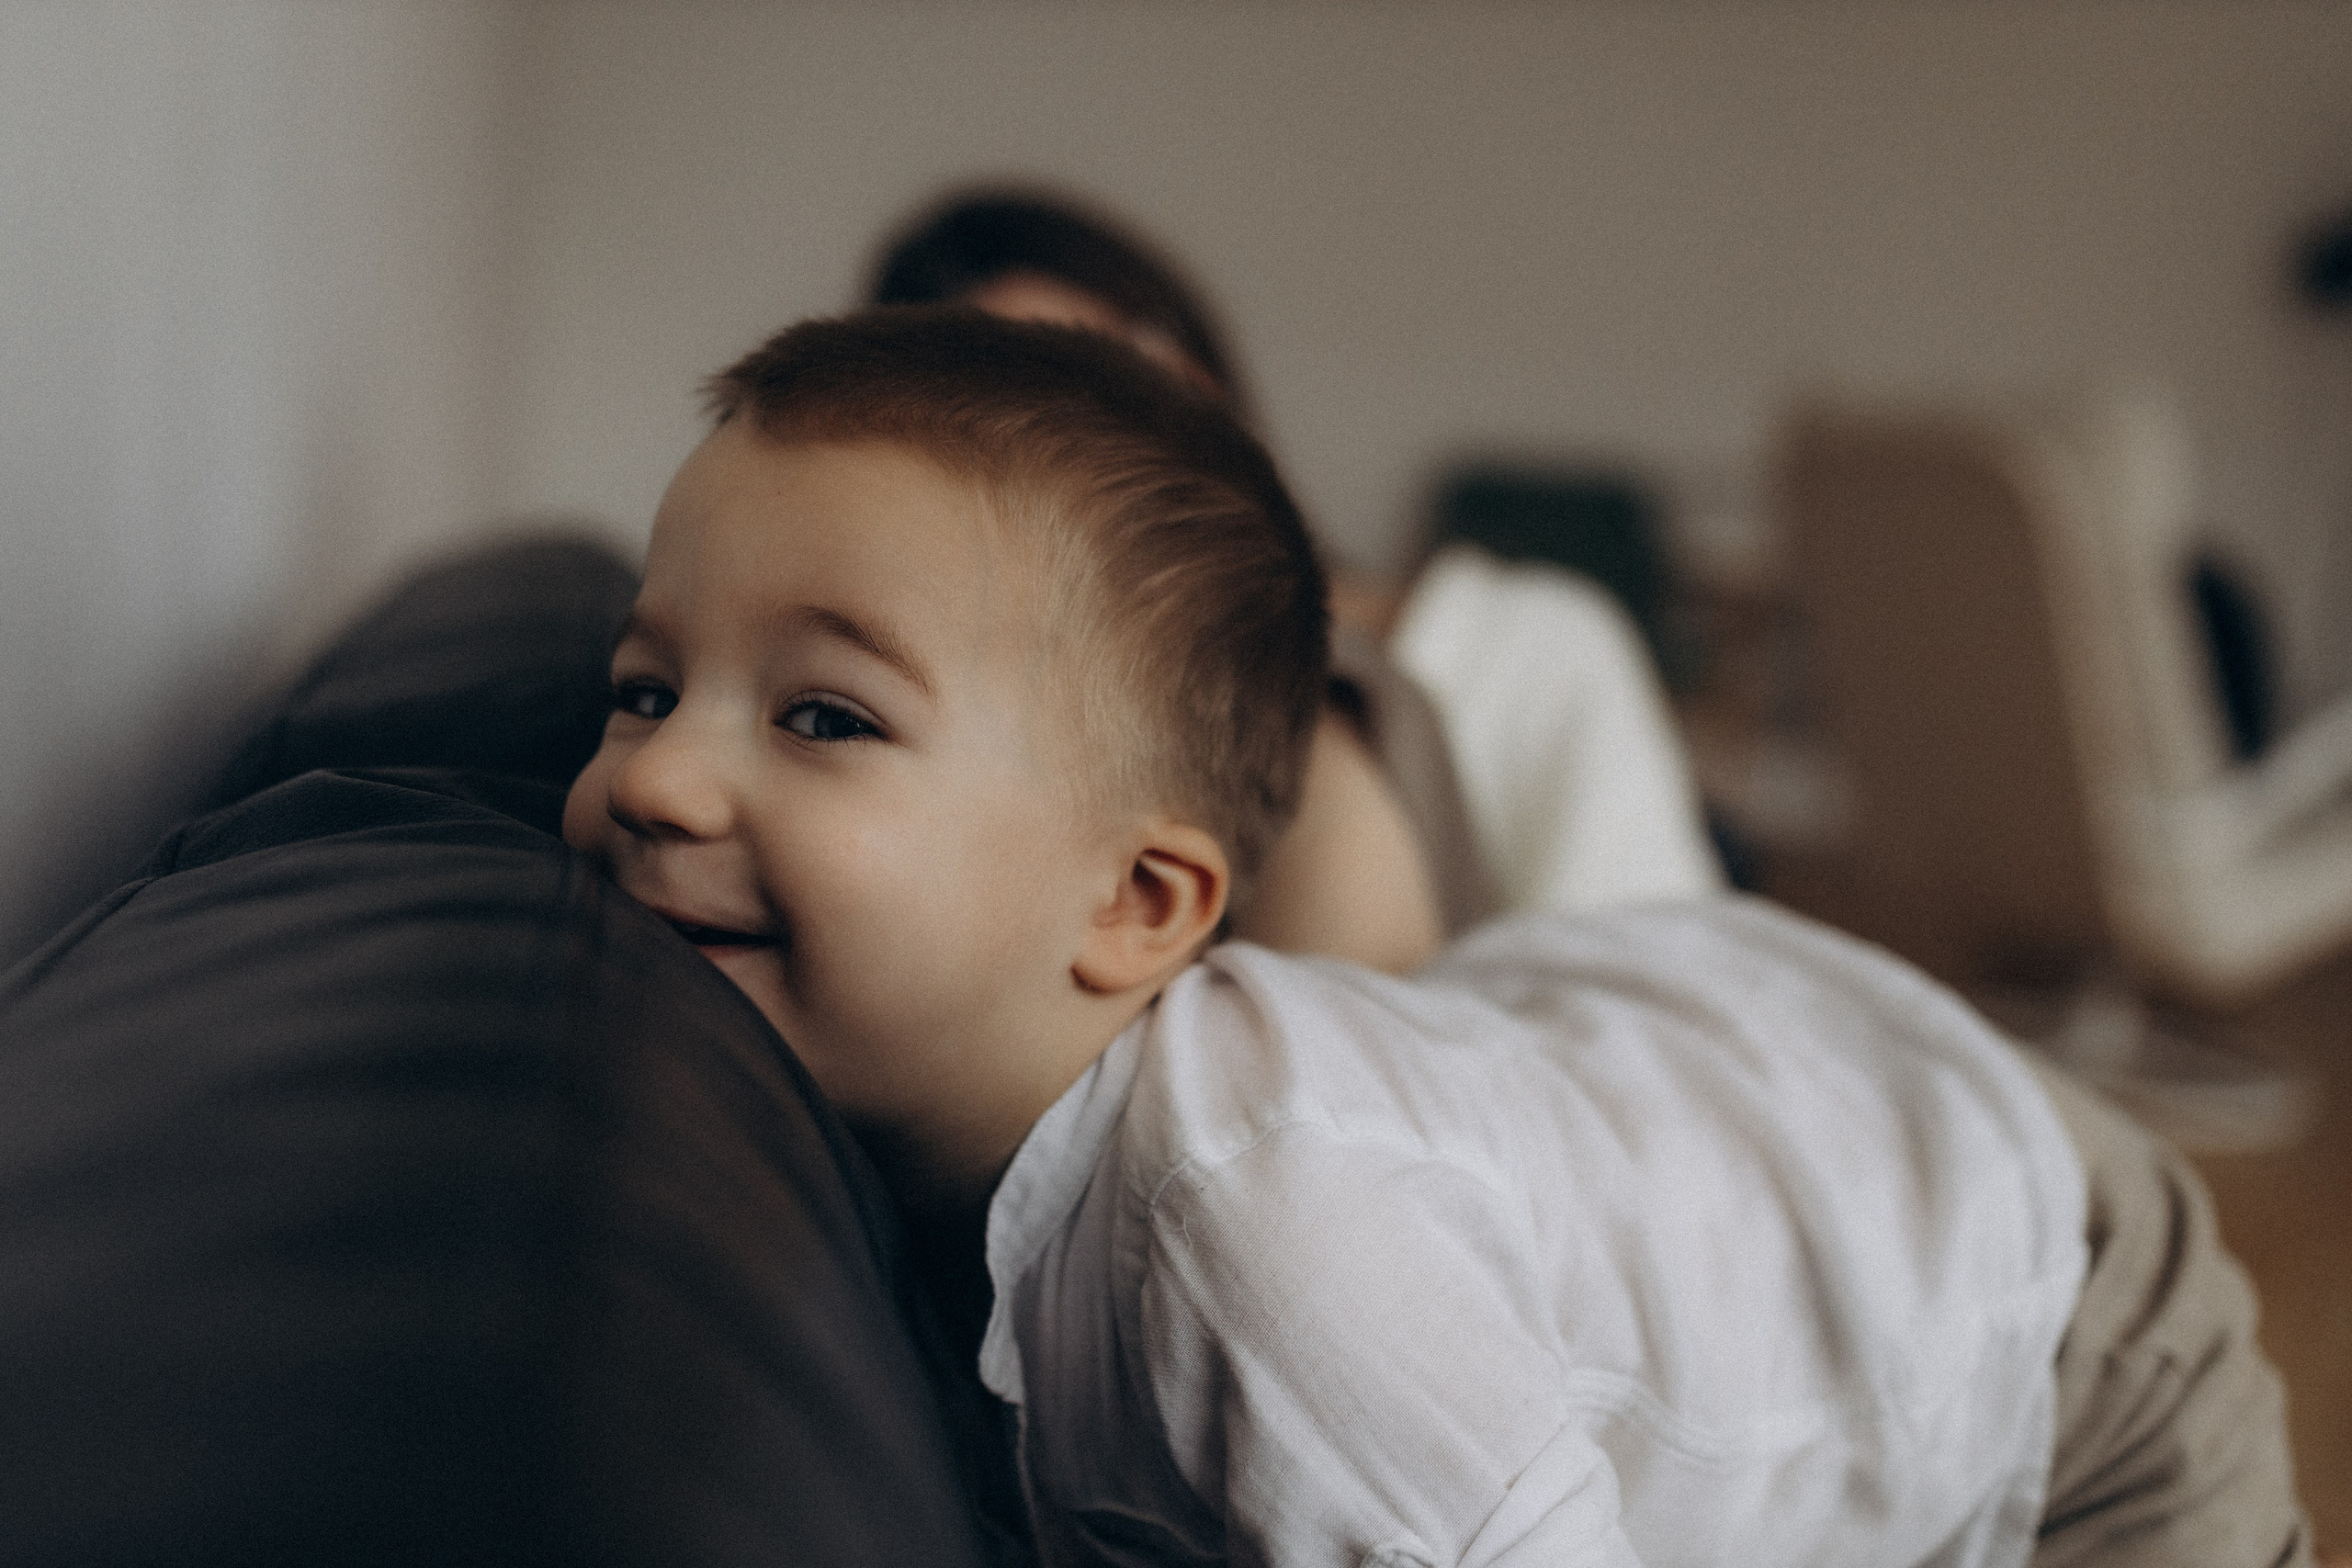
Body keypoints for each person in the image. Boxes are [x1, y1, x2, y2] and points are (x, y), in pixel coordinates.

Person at [560, 308, 2313, 1567]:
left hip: (2036, 1296)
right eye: (644, 687)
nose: (657, 779)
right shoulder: (928, 1150)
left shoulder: (1266, 1252)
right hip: (1673, 1061)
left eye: (825, 719)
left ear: (1136, 904)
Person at [865, 187, 1724, 931]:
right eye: (1038, 407)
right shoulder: (1023, 724)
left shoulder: (1529, 646)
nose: (1128, 409)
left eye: (1132, 349)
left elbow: (1665, 1011)